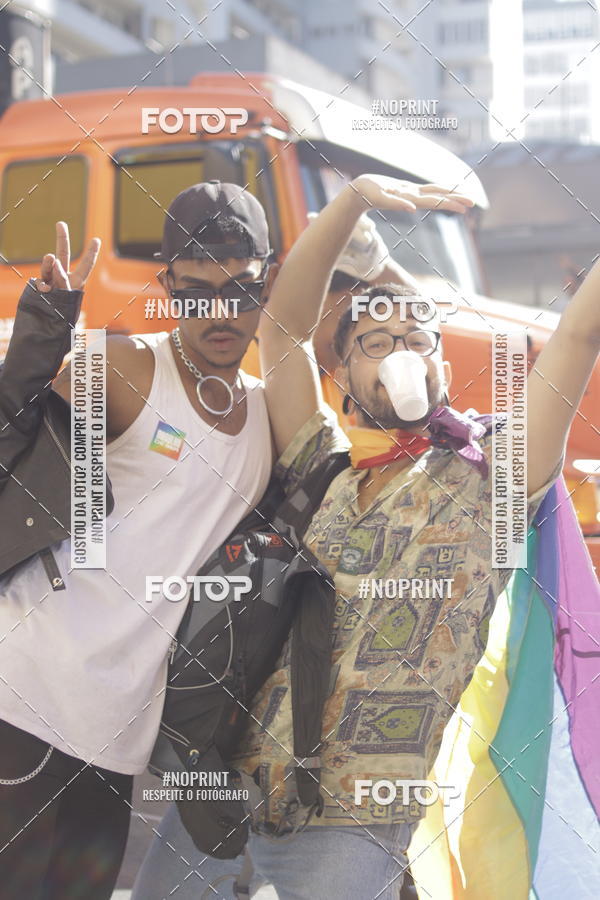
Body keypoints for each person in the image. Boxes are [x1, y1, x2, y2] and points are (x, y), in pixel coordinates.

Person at [132, 173, 598, 899]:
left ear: (443, 365)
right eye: (376, 340)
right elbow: (283, 328)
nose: (402, 350)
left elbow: (576, 332)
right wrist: (353, 200)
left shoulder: (491, 480)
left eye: (418, 338)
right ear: (341, 373)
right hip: (226, 790)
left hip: (356, 819)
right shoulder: (320, 462)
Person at [0, 181, 276, 899]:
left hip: (116, 733)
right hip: (22, 692)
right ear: (167, 288)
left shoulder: (268, 419)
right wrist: (44, 325)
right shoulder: (122, 368)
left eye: (239, 289)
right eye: (195, 291)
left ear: (267, 281)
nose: (218, 311)